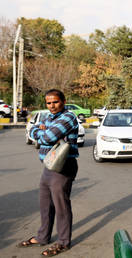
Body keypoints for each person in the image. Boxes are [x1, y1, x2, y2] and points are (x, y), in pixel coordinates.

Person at [17, 89, 79, 257]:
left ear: (64, 101)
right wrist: (39, 130)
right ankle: (43, 237)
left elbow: (48, 137)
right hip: (48, 166)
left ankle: (63, 242)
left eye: (55, 102)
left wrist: (40, 132)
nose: (52, 106)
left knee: (61, 207)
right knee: (45, 205)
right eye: (48, 103)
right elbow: (32, 130)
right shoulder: (48, 117)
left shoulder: (68, 117)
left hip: (63, 167)